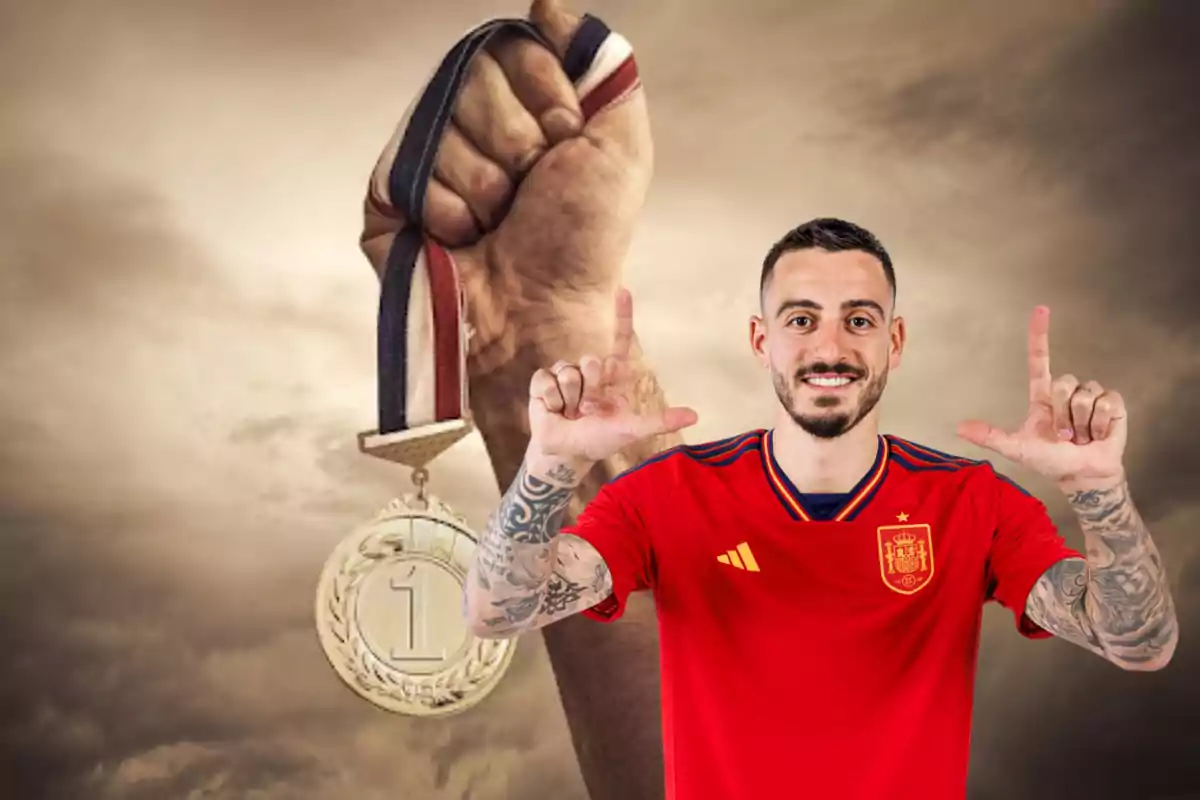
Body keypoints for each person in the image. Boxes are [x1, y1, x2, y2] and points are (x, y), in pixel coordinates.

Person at [462, 217, 1179, 800]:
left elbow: (1139, 643)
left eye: (859, 320)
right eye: (801, 319)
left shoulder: (974, 504)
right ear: (761, 340)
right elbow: (496, 610)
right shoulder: (667, 496)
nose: (829, 346)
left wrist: (1098, 491)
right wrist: (549, 465)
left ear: (893, 343)